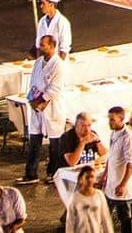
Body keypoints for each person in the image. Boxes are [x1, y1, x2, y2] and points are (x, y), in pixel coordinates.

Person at [20, 35, 66, 182]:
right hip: (36, 108)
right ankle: (30, 173)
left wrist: (42, 101)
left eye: (43, 45)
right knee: (34, 140)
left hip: (52, 109)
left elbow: (55, 88)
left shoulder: (58, 65)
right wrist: (32, 99)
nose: (40, 47)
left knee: (55, 143)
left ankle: (53, 172)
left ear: (52, 46)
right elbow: (33, 82)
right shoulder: (39, 62)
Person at [64, 169, 111, 233]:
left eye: (92, 177)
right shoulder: (74, 198)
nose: (90, 180)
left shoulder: (99, 195)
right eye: (87, 177)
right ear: (81, 180)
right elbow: (70, 221)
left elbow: (105, 218)